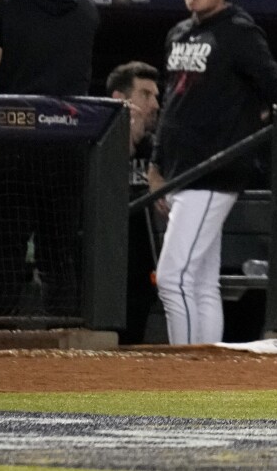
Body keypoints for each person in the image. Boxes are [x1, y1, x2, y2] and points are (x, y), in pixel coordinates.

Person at [149, 0, 277, 345]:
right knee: (203, 282)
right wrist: (157, 164)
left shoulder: (239, 30)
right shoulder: (177, 33)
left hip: (213, 171)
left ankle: (187, 372)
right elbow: (171, 101)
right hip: (179, 169)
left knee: (173, 278)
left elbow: (272, 80)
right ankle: (208, 372)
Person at [0, 0, 99, 316]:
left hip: (14, 152)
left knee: (4, 264)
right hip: (69, 153)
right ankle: (67, 356)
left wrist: (1, 5)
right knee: (59, 262)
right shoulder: (87, 10)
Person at [106, 60, 161, 344]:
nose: (155, 104)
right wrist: (123, 143)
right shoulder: (94, 142)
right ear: (119, 99)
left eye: (156, 96)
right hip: (99, 269)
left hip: (142, 269)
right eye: (145, 95)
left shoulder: (157, 149)